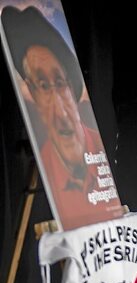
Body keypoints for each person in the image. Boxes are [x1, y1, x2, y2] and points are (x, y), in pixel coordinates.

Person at [2, 6, 117, 230]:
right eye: (43, 86)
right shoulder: (44, 167)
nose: (61, 112)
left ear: (72, 87)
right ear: (32, 94)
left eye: (60, 83)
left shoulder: (99, 152)